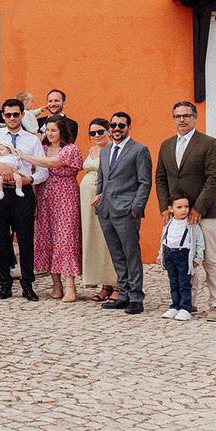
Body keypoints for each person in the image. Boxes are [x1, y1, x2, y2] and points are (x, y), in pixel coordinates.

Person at [154, 101, 216, 321]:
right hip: (177, 215)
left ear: (195, 117)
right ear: (173, 119)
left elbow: (215, 178)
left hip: (204, 212)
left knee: (211, 259)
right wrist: (165, 207)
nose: (182, 120)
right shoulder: (167, 145)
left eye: (186, 115)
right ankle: (188, 303)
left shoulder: (208, 143)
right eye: (178, 116)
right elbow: (160, 178)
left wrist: (199, 208)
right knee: (183, 259)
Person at [0, 99, 48, 301]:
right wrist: (1, 166)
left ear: (22, 115)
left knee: (26, 240)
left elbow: (43, 170)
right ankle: (5, 284)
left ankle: (28, 284)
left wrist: (30, 179)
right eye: (8, 114)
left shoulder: (32, 140)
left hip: (23, 192)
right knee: (0, 239)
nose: (11, 118)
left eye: (15, 114)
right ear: (2, 115)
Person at [92, 111, 152, 315]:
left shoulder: (139, 150)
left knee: (131, 255)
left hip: (127, 211)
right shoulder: (106, 151)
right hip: (106, 211)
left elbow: (145, 182)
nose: (117, 129)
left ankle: (136, 297)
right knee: (117, 255)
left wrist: (136, 208)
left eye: (121, 126)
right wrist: (99, 200)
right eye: (114, 125)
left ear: (128, 127)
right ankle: (123, 294)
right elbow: (102, 179)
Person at [20, 115, 84, 302]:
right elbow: (37, 173)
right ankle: (56, 285)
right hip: (45, 195)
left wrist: (24, 155)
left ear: (62, 131)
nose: (49, 133)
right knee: (47, 238)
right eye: (47, 130)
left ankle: (71, 286)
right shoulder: (43, 149)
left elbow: (51, 163)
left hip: (66, 194)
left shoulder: (70, 149)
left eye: (53, 130)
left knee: (65, 239)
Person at [79, 117, 118, 302]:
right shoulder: (92, 150)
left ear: (109, 131)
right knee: (94, 240)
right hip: (87, 200)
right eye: (92, 133)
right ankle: (104, 285)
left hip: (105, 198)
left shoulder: (113, 150)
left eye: (100, 132)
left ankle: (117, 285)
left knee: (108, 241)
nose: (96, 135)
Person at [157, 194, 205, 321]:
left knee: (184, 283)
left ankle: (185, 308)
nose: (184, 210)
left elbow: (199, 242)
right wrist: (160, 254)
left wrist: (198, 258)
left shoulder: (191, 224)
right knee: (174, 282)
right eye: (179, 207)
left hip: (183, 255)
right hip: (170, 254)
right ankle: (175, 306)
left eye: (186, 206)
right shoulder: (169, 223)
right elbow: (164, 239)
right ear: (171, 209)